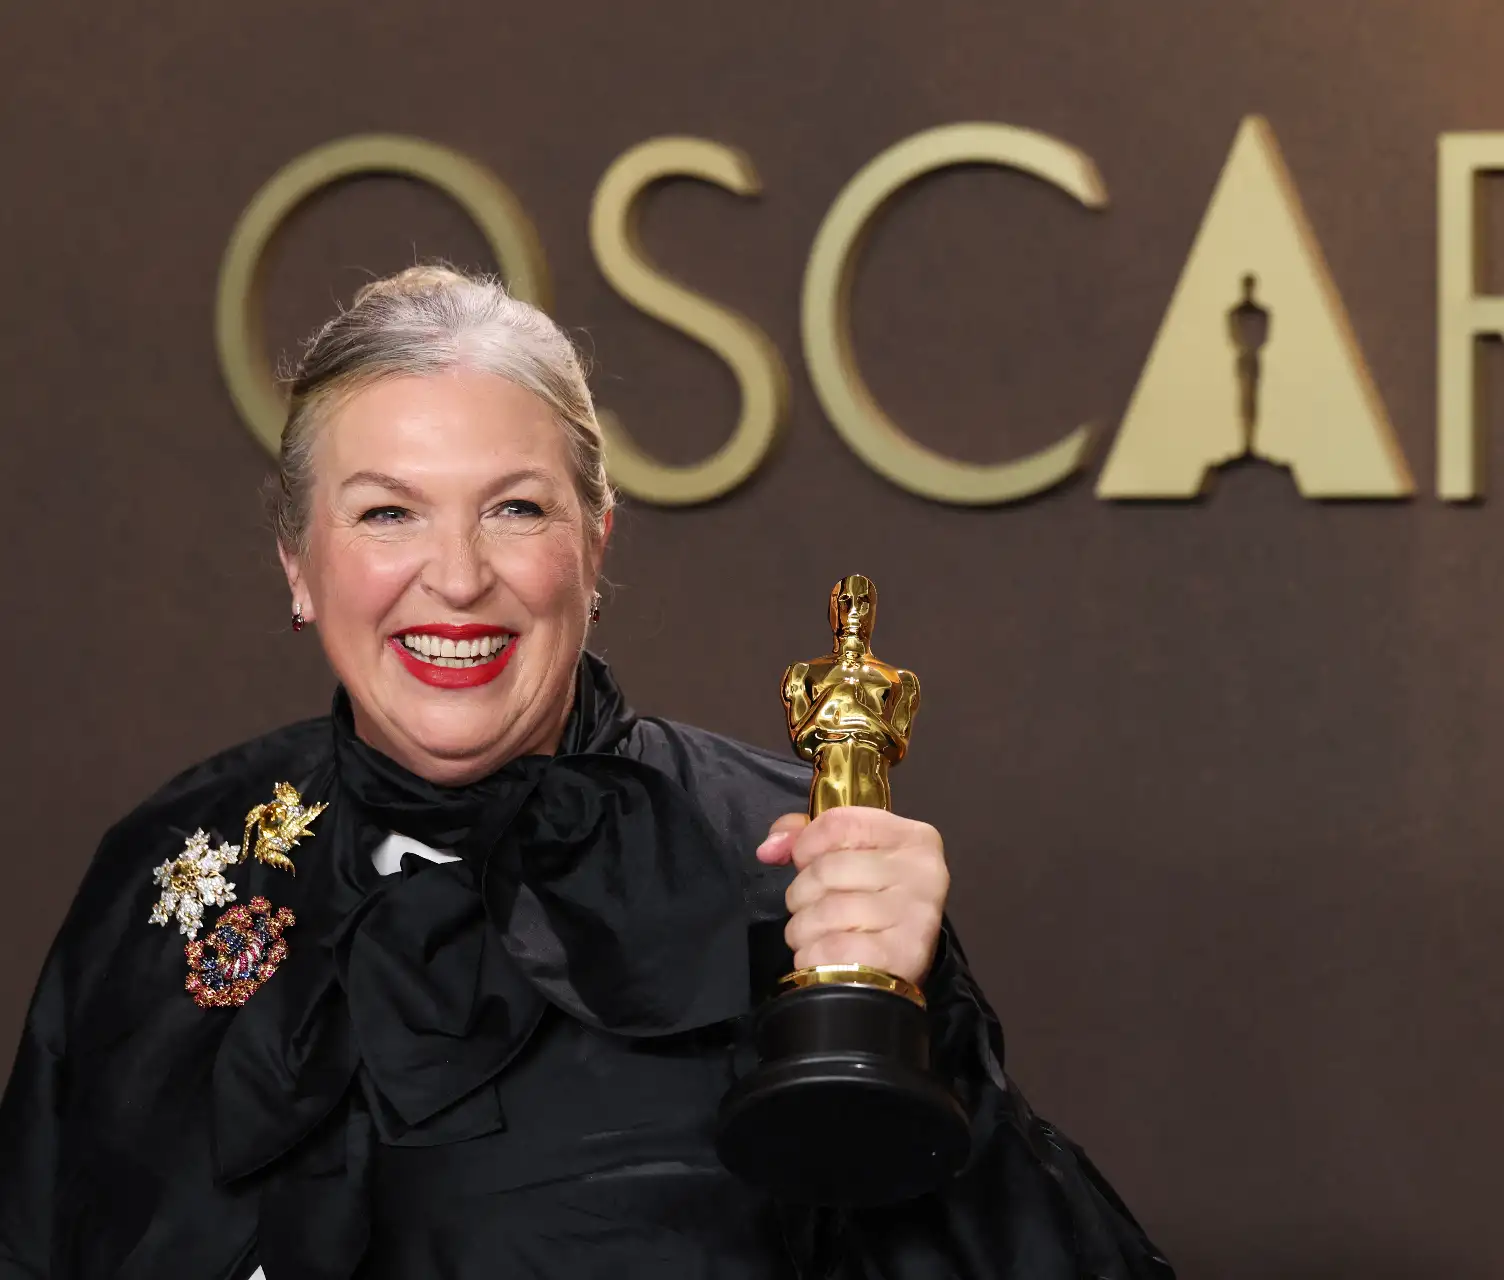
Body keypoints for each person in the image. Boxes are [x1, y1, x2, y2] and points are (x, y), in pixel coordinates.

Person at [0, 266, 1173, 1280]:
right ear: (298, 565)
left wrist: (934, 1046)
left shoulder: (790, 865)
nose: (454, 578)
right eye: (387, 513)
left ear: (594, 544)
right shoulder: (170, 870)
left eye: (514, 507)